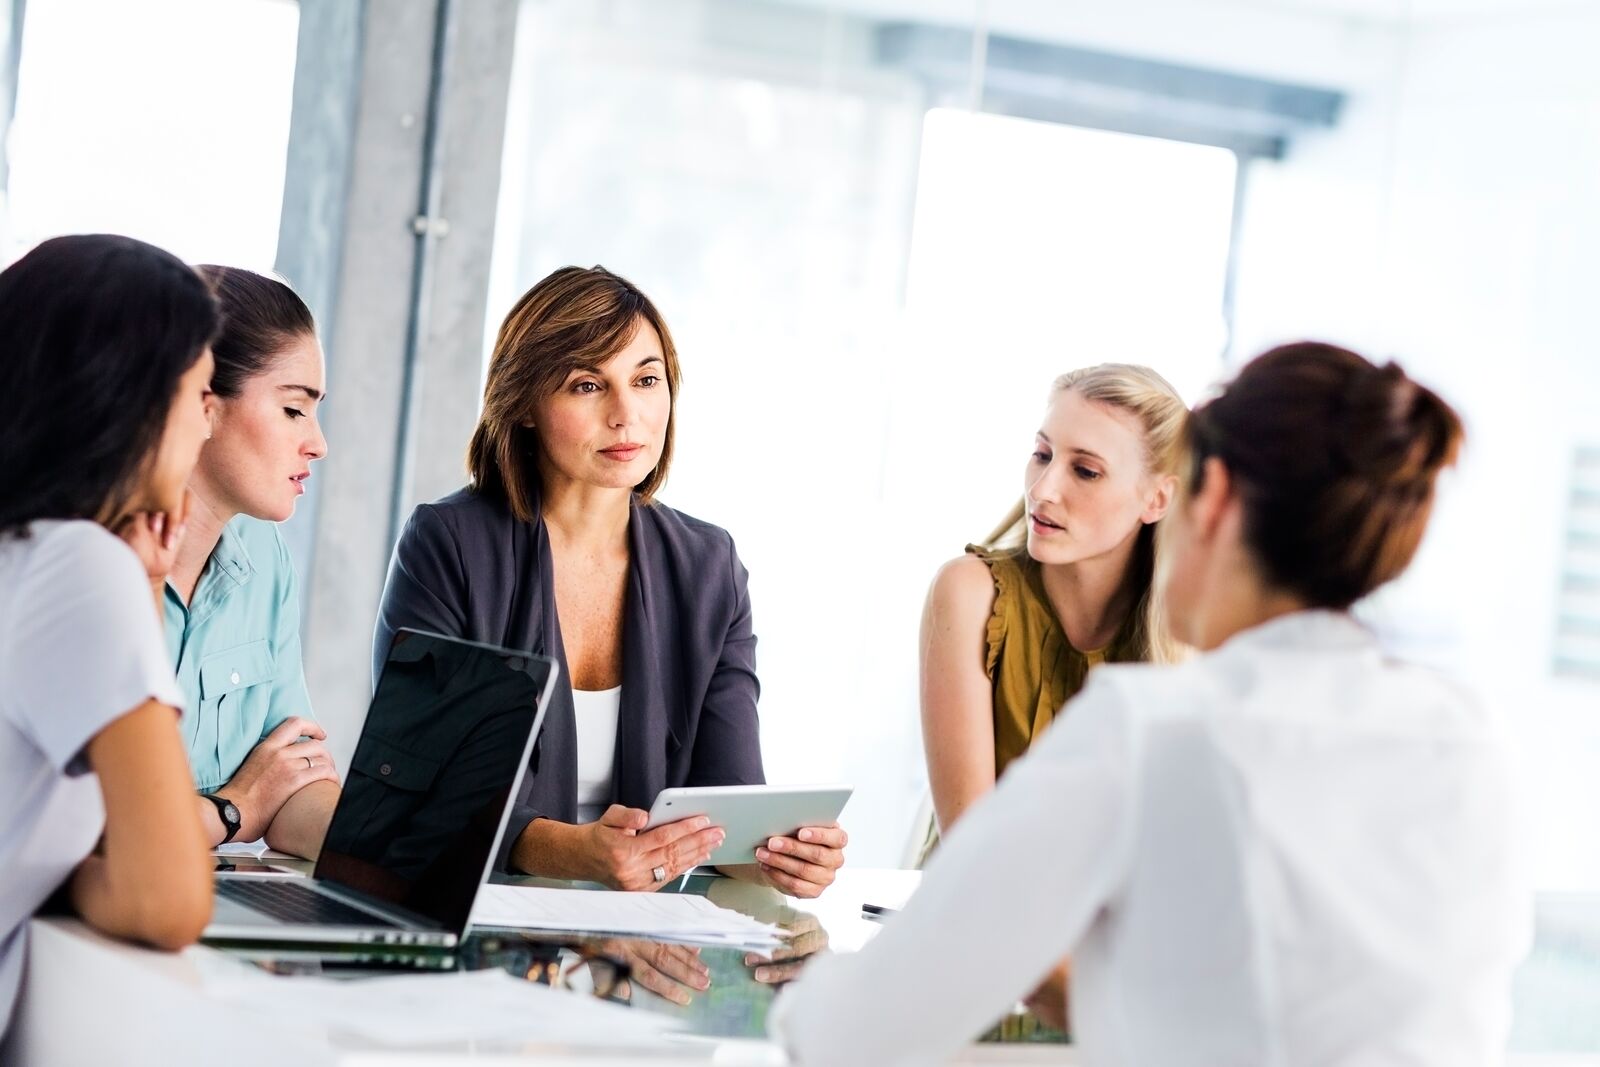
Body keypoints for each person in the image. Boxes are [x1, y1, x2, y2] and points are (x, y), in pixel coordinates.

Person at [774, 342, 1530, 1066]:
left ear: (1210, 498)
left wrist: (806, 993)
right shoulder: (1467, 736)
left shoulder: (1151, 728)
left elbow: (851, 1034)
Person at [375, 265, 846, 896]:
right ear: (523, 407)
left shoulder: (710, 567)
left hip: (639, 941)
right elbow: (423, 795)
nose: (627, 414)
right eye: (587, 384)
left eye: (647, 380)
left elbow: (726, 803)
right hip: (473, 914)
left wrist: (776, 856)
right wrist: (576, 852)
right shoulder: (449, 544)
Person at [0, 234, 219, 1033]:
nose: (209, 422)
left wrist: (149, 590)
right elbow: (165, 897)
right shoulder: (75, 564)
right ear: (130, 397)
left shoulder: (29, 552)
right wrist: (69, 881)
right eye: (201, 393)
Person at [920, 364, 1185, 840]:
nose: (1042, 490)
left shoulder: (1187, 637)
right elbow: (970, 847)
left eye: (1085, 471)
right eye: (1042, 454)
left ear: (1158, 499)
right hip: (977, 906)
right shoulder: (968, 595)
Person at [162, 266, 336, 858]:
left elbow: (291, 782)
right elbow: (104, 831)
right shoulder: (91, 567)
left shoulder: (265, 559)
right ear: (204, 404)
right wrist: (234, 807)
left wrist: (398, 855)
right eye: (294, 410)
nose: (318, 442)